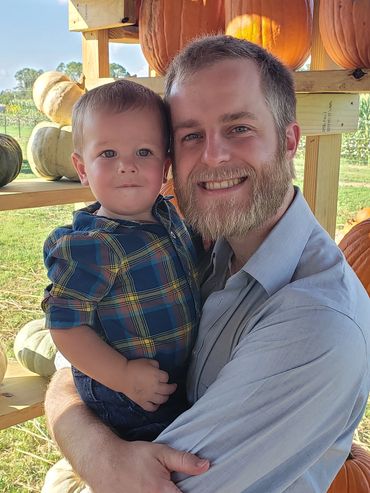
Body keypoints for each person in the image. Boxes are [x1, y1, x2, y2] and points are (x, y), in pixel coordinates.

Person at [44, 35, 370, 493]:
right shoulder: (201, 246)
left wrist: (89, 443)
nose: (213, 156)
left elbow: (153, 483)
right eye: (191, 135)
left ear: (290, 139)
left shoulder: (316, 325)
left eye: (239, 128)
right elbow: (70, 358)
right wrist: (99, 448)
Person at [42, 79, 203, 442]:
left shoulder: (169, 215)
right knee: (159, 451)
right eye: (109, 154)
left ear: (165, 166)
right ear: (82, 169)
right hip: (122, 393)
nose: (127, 166)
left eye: (143, 152)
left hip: (162, 377)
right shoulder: (92, 246)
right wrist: (122, 374)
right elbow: (65, 326)